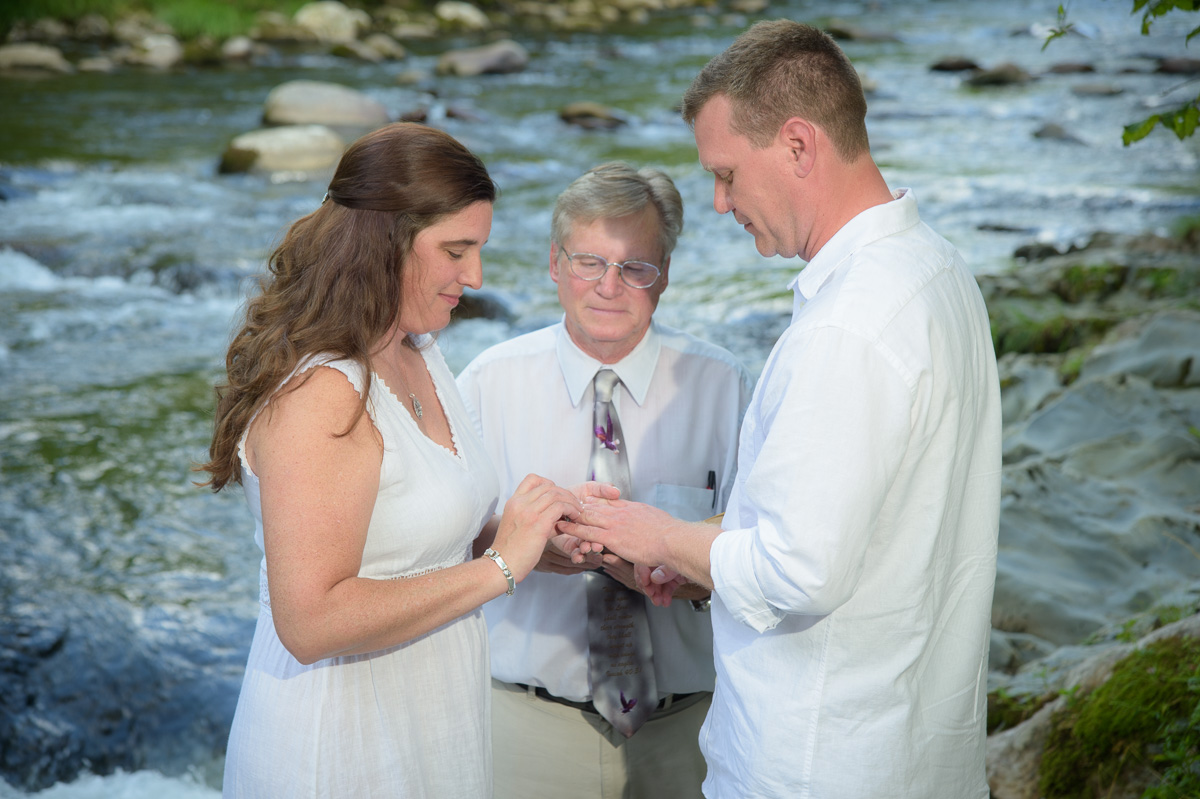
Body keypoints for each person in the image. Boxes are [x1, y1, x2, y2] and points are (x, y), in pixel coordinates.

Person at [562, 21, 1002, 799]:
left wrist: (654, 533)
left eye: (727, 173)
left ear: (799, 146)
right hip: (916, 745)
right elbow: (853, 523)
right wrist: (697, 558)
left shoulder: (846, 326)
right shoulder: (935, 268)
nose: (721, 203)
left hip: (818, 759)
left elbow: (800, 571)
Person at [201, 122, 595, 797]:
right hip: (341, 746)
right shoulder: (324, 391)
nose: (474, 277)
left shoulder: (420, 351)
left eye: (479, 249)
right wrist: (499, 568)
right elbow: (311, 620)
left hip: (429, 731)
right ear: (384, 241)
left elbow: (419, 534)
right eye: (456, 250)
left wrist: (527, 539)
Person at [456, 162, 753, 799]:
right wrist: (523, 549)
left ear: (665, 274)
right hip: (522, 729)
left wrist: (678, 558)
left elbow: (762, 545)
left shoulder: (724, 385)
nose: (609, 286)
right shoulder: (486, 383)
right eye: (589, 262)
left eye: (635, 267)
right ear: (555, 264)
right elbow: (440, 543)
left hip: (688, 731)